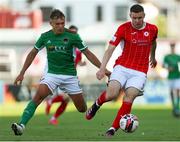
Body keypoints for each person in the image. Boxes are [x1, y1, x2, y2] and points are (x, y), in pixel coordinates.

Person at [11, 9, 110, 136]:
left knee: (82, 109)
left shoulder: (73, 36)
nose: (60, 26)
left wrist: (103, 69)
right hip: (52, 75)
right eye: (57, 24)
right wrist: (22, 72)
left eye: (62, 23)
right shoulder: (45, 37)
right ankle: (21, 125)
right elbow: (32, 53)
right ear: (51, 23)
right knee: (38, 97)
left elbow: (88, 53)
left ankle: (88, 106)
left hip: (70, 77)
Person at [86, 4, 158, 136]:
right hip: (122, 67)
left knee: (129, 97)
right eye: (134, 18)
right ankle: (97, 104)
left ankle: (112, 129)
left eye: (140, 18)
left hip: (140, 71)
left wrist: (153, 57)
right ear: (130, 16)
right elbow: (110, 49)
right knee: (112, 94)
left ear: (144, 16)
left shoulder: (152, 29)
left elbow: (153, 42)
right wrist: (102, 69)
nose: (137, 21)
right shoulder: (123, 28)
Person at [45, 25, 87, 125]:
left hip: (71, 76)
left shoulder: (78, 49)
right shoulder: (62, 46)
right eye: (71, 32)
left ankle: (53, 117)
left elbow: (78, 61)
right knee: (65, 97)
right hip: (61, 74)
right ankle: (50, 102)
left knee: (66, 100)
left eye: (75, 33)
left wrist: (82, 64)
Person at [163, 42, 180, 117]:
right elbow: (163, 65)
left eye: (173, 46)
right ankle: (174, 106)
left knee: (177, 91)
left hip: (177, 76)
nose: (172, 48)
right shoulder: (167, 57)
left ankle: (177, 106)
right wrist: (168, 68)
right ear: (170, 47)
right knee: (171, 92)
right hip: (170, 76)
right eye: (171, 46)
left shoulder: (178, 56)